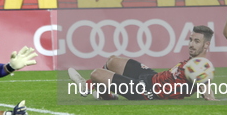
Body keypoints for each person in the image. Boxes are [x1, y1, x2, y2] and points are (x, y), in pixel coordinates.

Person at [67, 25, 217, 101]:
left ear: (206, 45)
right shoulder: (194, 61)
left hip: (147, 92)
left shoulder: (201, 66)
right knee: (112, 60)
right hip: (151, 77)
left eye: (196, 41)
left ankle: (88, 85)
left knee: (96, 73)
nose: (191, 44)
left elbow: (205, 83)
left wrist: (210, 96)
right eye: (191, 39)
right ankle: (105, 94)